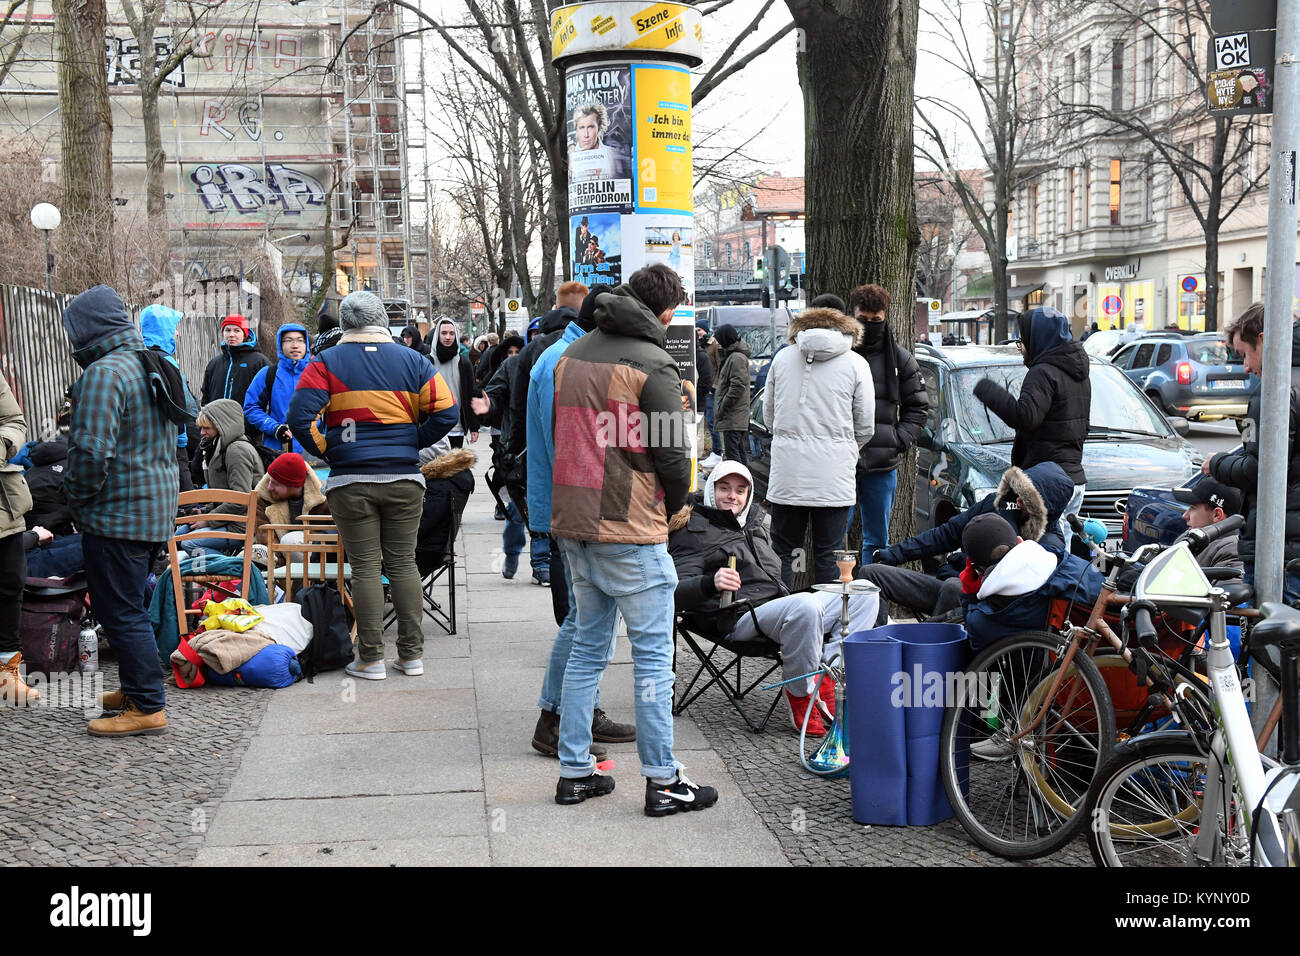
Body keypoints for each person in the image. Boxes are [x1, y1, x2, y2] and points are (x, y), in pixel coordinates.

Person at [549, 264, 718, 815]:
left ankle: (575, 772)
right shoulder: (654, 364)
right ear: (666, 313)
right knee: (652, 657)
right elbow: (674, 456)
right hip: (629, 522)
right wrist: (678, 504)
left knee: (586, 651)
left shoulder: (571, 355)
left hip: (574, 518)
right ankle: (664, 780)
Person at [288, 290, 459, 680]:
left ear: (345, 324)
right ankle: (411, 656)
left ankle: (369, 659)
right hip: (404, 477)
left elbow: (299, 418)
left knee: (364, 567)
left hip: (350, 480)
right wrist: (411, 441)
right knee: (403, 564)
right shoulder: (413, 359)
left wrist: (331, 451)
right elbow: (447, 412)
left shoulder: (325, 362)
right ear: (383, 319)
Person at [63, 285, 197, 735]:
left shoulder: (105, 374)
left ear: (88, 331)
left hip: (117, 515)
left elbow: (89, 453)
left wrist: (77, 502)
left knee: (119, 610)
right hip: (153, 508)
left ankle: (147, 706)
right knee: (131, 605)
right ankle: (136, 685)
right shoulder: (149, 362)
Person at [669, 462, 879, 735]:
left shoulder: (754, 525)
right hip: (737, 617)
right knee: (806, 605)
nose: (732, 496)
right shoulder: (693, 532)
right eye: (724, 488)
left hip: (777, 606)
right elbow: (672, 594)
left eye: (740, 490)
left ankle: (830, 677)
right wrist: (711, 583)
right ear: (711, 490)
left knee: (862, 592)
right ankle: (801, 696)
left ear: (748, 495)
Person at [524, 285, 634, 761]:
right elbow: (567, 441)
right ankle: (555, 717)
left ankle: (576, 712)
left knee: (589, 618)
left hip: (572, 504)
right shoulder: (564, 360)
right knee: (584, 620)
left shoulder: (565, 354)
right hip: (575, 507)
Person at [861, 462, 1076, 623]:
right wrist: (895, 553)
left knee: (953, 588)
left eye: (1026, 500)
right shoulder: (997, 504)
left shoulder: (1049, 545)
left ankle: (929, 658)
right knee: (871, 575)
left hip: (979, 607)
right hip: (949, 583)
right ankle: (877, 652)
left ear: (1043, 509)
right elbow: (946, 534)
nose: (1017, 500)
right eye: (1018, 492)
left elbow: (1013, 597)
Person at [764, 307, 875, 587]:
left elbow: (768, 416)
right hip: (834, 474)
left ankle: (779, 618)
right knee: (829, 553)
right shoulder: (856, 363)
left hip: (788, 473)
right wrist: (847, 449)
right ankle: (828, 623)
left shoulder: (782, 358)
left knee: (783, 551)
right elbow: (866, 425)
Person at [1205, 302, 1300, 599]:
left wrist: (1217, 463)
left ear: (1262, 340)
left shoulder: (1273, 390)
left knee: (1272, 639)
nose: (1245, 367)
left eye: (1245, 354)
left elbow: (1260, 468)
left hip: (1282, 548)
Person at [972, 305, 1090, 543]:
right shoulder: (1078, 372)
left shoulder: (1043, 372)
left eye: (1022, 341)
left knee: (1038, 556)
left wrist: (986, 389)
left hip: (1046, 482)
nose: (1021, 348)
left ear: (1038, 340)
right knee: (1059, 552)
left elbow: (1026, 417)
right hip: (1074, 480)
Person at [849, 284, 929, 566]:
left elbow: (918, 407)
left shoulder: (900, 358)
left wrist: (898, 439)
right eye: (863, 319)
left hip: (882, 464)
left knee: (877, 542)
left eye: (876, 320)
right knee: (834, 540)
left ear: (885, 317)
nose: (869, 326)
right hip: (842, 462)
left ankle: (870, 605)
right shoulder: (840, 356)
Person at [957, 511, 1102, 652]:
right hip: (1102, 652)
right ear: (1019, 541)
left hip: (1041, 671)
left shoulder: (982, 619)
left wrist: (969, 594)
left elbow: (975, 645)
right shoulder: (1067, 562)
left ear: (977, 568)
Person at [181, 399, 265, 555]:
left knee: (189, 543)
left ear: (222, 426)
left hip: (241, 525)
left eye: (207, 428)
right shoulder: (218, 446)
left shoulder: (237, 451)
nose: (201, 433)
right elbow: (222, 495)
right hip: (226, 518)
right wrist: (205, 512)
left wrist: (208, 519)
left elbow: (241, 500)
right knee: (178, 536)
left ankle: (238, 570)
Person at [1, 373, 38, 705]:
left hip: (4, 504)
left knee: (11, 584)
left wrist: (2, 443)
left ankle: (6, 677)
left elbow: (14, 421)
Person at [140, 304, 198, 492]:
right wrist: (184, 442)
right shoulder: (166, 362)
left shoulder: (140, 358)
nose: (178, 334)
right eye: (174, 328)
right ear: (163, 330)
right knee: (186, 502)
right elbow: (183, 407)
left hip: (148, 448)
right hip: (173, 444)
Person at [243, 324, 310, 456]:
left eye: (300, 340)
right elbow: (251, 407)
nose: (295, 345)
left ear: (306, 343)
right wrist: (274, 427)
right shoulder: (268, 374)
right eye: (289, 340)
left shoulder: (318, 373)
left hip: (313, 451)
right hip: (277, 449)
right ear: (280, 344)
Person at [251, 452, 328, 558]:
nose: (269, 487)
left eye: (275, 483)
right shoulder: (263, 499)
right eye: (270, 481)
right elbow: (266, 539)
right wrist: (279, 565)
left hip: (318, 558)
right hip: (279, 561)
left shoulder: (324, 498)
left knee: (290, 541)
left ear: (293, 485)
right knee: (253, 554)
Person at [430, 316, 481, 449]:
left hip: (456, 425)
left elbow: (471, 393)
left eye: (452, 333)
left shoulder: (463, 362)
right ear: (437, 335)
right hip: (432, 425)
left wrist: (474, 426)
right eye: (444, 333)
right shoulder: (428, 361)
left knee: (455, 468)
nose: (448, 337)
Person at [200, 313, 269, 409]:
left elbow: (270, 397)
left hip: (247, 423)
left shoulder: (260, 362)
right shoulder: (214, 364)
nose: (231, 335)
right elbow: (205, 397)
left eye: (237, 330)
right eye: (227, 330)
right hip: (216, 422)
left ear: (245, 334)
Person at [1175, 477, 1244, 572]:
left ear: (1217, 515)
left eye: (1193, 508)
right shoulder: (1190, 536)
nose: (1185, 515)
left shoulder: (1231, 552)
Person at [712, 324, 753, 464]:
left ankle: (739, 483)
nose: (717, 343)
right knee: (738, 452)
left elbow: (738, 386)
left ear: (725, 339)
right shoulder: (733, 356)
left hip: (733, 416)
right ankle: (745, 483)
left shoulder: (736, 358)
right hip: (734, 416)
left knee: (733, 456)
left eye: (718, 339)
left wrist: (723, 406)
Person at [697, 320, 724, 466]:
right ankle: (715, 452)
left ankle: (717, 452)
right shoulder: (700, 344)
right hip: (704, 387)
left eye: (700, 330)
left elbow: (720, 367)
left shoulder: (714, 345)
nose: (697, 332)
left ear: (706, 330)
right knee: (708, 419)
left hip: (711, 389)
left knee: (712, 420)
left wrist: (714, 387)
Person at [569, 101, 618, 181]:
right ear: (576, 130)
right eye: (582, 128)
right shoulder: (571, 158)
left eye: (590, 127)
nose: (586, 135)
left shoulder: (613, 155)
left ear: (599, 127)